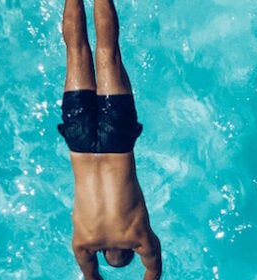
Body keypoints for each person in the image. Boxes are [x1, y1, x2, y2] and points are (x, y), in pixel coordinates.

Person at [57, 0, 161, 279]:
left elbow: (153, 271)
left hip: (118, 139)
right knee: (75, 49)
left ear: (133, 251)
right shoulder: (83, 244)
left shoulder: (140, 237)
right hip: (79, 141)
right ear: (103, 253)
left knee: (108, 49)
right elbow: (92, 277)